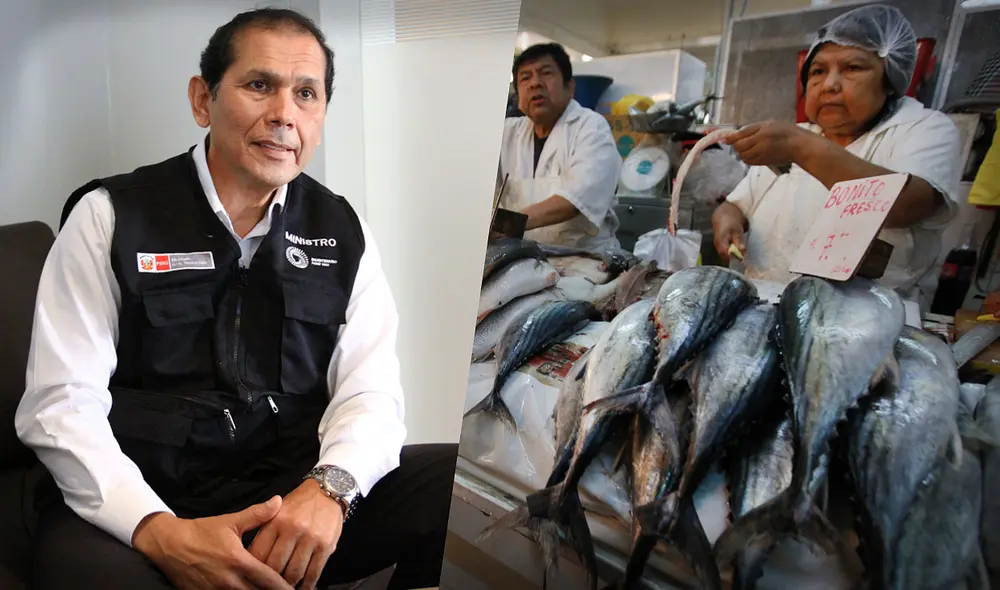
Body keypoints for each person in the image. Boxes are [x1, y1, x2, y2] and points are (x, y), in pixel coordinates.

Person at [14, 8, 456, 590]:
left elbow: (370, 393)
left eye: (306, 94)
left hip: (285, 498)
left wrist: (330, 490)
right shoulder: (110, 217)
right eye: (259, 85)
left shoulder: (344, 232)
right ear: (203, 100)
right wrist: (158, 530)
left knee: (451, 483)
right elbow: (61, 403)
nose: (284, 115)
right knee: (84, 573)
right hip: (146, 501)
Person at [712, 4, 962, 312]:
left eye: (852, 68)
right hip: (765, 305)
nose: (829, 85)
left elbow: (908, 205)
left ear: (890, 79)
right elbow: (735, 205)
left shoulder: (924, 128)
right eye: (818, 71)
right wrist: (728, 222)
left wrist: (801, 147)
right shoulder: (797, 135)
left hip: (868, 319)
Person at [497, 42, 623, 251]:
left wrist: (508, 225)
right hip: (523, 254)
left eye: (546, 73)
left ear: (570, 87)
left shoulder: (591, 127)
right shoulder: (507, 132)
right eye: (525, 77)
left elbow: (576, 200)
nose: (535, 83)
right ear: (517, 96)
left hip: (585, 258)